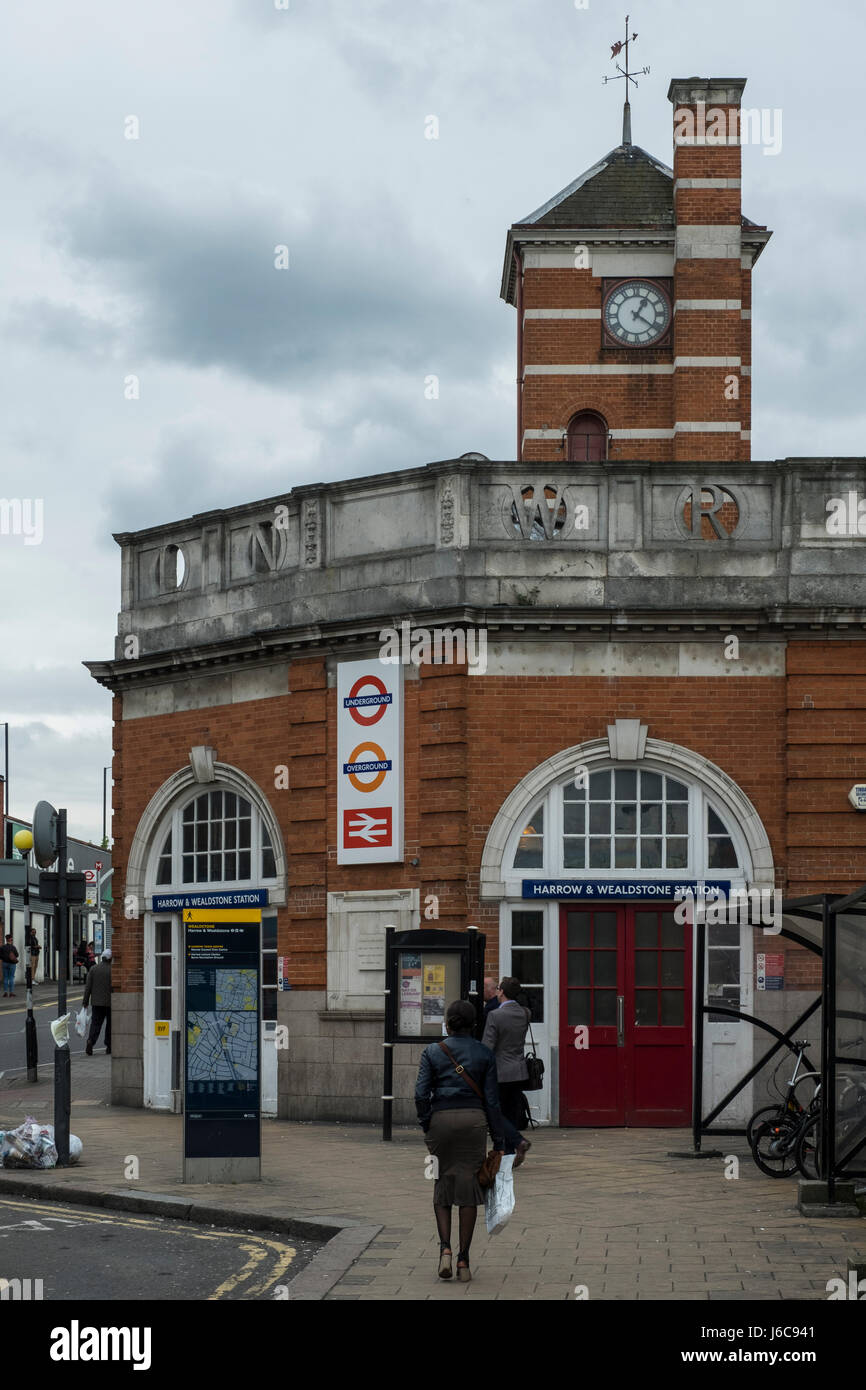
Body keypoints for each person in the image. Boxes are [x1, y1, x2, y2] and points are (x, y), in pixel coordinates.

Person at [415, 998, 506, 1283]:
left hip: (441, 1121)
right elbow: (492, 1101)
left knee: (442, 1182)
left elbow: (420, 1094)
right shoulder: (484, 1054)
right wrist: (499, 1140)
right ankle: (464, 1261)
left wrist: (426, 1123)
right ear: (474, 1023)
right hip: (474, 1122)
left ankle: (445, 1249)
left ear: (448, 1022)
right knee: (469, 1188)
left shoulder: (432, 1051)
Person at [483, 977, 531, 1165]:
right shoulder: (525, 1013)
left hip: (499, 1070)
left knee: (492, 1111)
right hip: (519, 1070)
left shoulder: (495, 1015)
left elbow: (488, 1046)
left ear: (500, 992)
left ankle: (518, 1141)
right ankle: (509, 1154)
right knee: (510, 1111)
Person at [83, 948, 112, 1055]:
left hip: (96, 1003)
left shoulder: (93, 969)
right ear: (110, 959)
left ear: (102, 958)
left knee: (95, 1024)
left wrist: (85, 1001)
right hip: (110, 1003)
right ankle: (109, 1046)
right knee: (110, 1025)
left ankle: (91, 1041)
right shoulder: (113, 970)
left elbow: (88, 987)